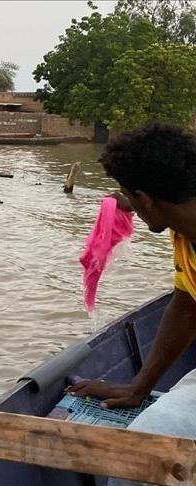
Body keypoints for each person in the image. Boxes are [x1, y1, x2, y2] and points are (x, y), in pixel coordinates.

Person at [68, 123, 196, 440]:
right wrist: (139, 387)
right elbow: (185, 307)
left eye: (130, 196)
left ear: (146, 199)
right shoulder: (183, 232)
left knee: (145, 441)